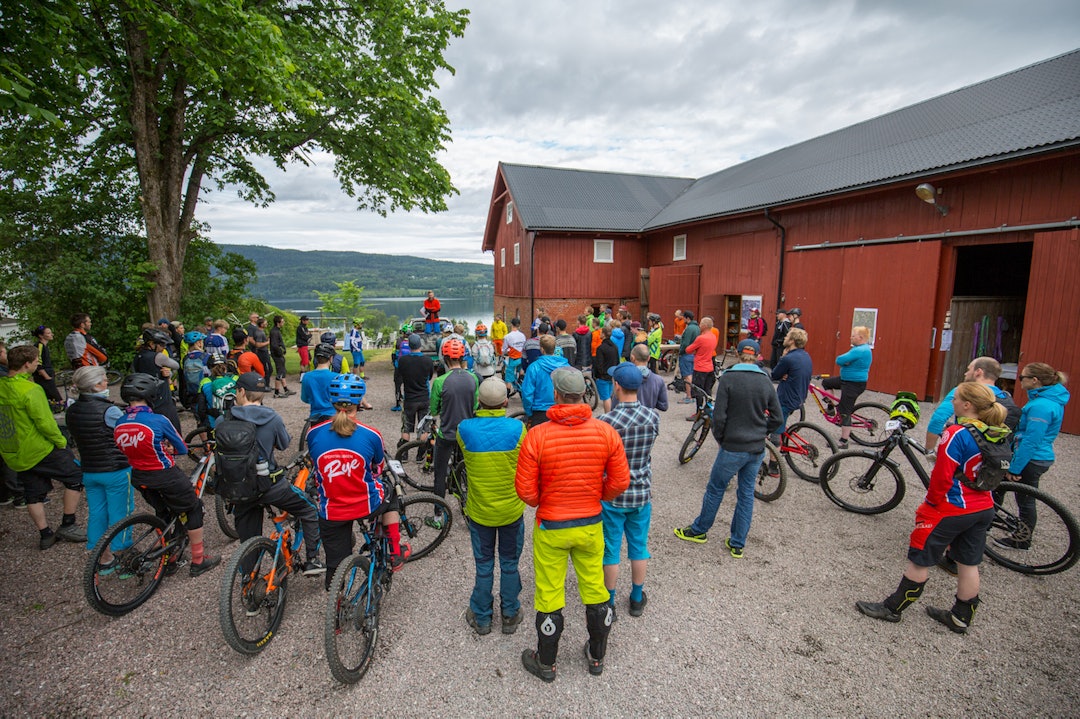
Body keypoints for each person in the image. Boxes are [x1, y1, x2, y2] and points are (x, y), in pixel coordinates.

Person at [857, 384, 1009, 633]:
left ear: (967, 405)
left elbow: (941, 476)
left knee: (921, 559)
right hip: (983, 506)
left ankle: (893, 608)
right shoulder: (995, 431)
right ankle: (961, 617)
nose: (954, 402)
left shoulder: (957, 433)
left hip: (952, 507)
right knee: (968, 563)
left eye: (957, 399)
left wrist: (930, 504)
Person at [515, 367, 630, 681]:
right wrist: (597, 495)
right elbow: (621, 480)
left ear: (555, 395)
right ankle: (596, 656)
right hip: (590, 522)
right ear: (584, 395)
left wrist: (544, 500)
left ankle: (547, 663)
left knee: (550, 592)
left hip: (552, 526)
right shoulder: (606, 432)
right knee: (595, 589)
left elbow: (525, 490)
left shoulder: (537, 435)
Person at [674, 339, 782, 558]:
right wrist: (761, 431)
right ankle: (737, 542)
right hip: (755, 447)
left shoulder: (729, 378)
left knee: (715, 488)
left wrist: (722, 438)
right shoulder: (765, 381)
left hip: (733, 445)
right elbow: (777, 418)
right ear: (758, 356)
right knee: (746, 494)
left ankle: (699, 530)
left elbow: (719, 416)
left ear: (738, 353)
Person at [307, 374, 407, 587]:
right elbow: (378, 468)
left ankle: (336, 598)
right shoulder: (371, 435)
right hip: (366, 504)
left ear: (332, 402)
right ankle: (395, 552)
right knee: (389, 490)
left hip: (331, 509)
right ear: (359, 402)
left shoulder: (313, 433)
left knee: (336, 562)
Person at [113, 373, 219, 576]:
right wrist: (167, 447)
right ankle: (198, 560)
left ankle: (169, 554)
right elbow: (181, 448)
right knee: (194, 508)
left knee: (164, 513)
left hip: (139, 476)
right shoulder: (158, 420)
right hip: (164, 474)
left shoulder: (120, 421)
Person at [229, 372, 324, 575]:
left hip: (237, 488)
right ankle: (313, 560)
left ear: (242, 391)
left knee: (247, 537)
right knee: (309, 510)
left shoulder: (225, 418)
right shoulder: (271, 417)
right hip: (269, 486)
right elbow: (283, 444)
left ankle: (249, 577)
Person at [457, 377, 528, 636]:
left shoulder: (465, 429)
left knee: (484, 564)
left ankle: (482, 616)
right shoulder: (518, 429)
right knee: (509, 563)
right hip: (511, 510)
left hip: (480, 511)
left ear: (479, 401)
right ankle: (510, 613)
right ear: (505, 402)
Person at [0, 345, 88, 550]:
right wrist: (61, 442)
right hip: (40, 448)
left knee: (33, 492)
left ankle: (45, 533)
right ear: (26, 364)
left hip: (14, 451)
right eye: (36, 360)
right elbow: (45, 422)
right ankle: (68, 523)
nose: (38, 363)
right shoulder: (31, 390)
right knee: (75, 476)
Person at [600, 362, 660, 621]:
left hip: (613, 494)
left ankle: (609, 602)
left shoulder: (606, 422)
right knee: (639, 547)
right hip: (641, 492)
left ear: (616, 386)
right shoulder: (652, 417)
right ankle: (636, 597)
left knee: (611, 549)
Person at [996, 362, 1070, 551]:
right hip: (1037, 456)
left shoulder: (1041, 406)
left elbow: (1031, 440)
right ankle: (991, 522)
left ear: (1034, 380)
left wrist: (1015, 468)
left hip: (1032, 458)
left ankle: (1022, 540)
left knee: (1026, 500)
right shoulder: (1046, 399)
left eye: (1023, 377)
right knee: (1003, 489)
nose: (1020, 380)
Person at [66, 366, 134, 564]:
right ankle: (122, 552)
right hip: (115, 468)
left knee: (96, 512)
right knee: (121, 511)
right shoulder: (108, 410)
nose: (107, 383)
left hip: (89, 468)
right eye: (104, 380)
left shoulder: (72, 410)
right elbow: (125, 433)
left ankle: (102, 558)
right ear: (96, 385)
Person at [429, 339, 478, 527]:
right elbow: (474, 405)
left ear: (445, 358)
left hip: (447, 434)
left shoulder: (440, 381)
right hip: (466, 434)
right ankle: (468, 504)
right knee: (465, 468)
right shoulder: (472, 378)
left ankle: (437, 516)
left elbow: (434, 410)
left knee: (439, 474)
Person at [925, 357, 1021, 450]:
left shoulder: (963, 391)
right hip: (995, 456)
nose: (965, 373)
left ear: (978, 372)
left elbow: (938, 419)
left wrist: (929, 450)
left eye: (968, 369)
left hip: (968, 452)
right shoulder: (1006, 397)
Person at [823, 326, 873, 448]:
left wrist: (846, 363)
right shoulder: (861, 349)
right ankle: (831, 407)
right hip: (846, 380)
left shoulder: (859, 350)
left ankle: (844, 441)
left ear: (860, 338)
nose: (851, 337)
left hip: (853, 384)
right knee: (827, 383)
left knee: (845, 412)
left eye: (853, 335)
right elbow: (844, 361)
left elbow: (839, 360)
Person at [132, 327, 182, 433]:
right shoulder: (158, 357)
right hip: (161, 395)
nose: (163, 348)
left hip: (145, 394)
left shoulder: (138, 356)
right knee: (172, 425)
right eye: (162, 345)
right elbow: (176, 365)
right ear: (152, 344)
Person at [769, 328, 813, 446]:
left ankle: (774, 461)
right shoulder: (806, 355)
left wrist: (783, 357)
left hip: (786, 399)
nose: (785, 338)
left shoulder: (788, 358)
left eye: (787, 336)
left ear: (792, 341)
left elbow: (774, 375)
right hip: (799, 397)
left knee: (775, 430)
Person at [520, 335, 569, 426]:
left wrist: (529, 412)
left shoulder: (534, 367)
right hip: (561, 409)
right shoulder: (566, 366)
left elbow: (527, 393)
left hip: (540, 411)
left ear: (542, 349)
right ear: (555, 348)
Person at [397, 334, 435, 449]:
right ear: (420, 344)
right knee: (424, 427)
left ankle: (404, 453)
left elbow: (401, 376)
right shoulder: (428, 361)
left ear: (409, 345)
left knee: (406, 427)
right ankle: (421, 453)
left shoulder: (403, 361)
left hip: (409, 399)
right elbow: (429, 377)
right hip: (424, 398)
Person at [684, 316, 718, 418]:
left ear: (704, 326)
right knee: (707, 390)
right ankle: (708, 409)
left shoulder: (701, 338)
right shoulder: (713, 336)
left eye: (700, 324)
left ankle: (698, 411)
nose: (699, 326)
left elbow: (688, 350)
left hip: (700, 367)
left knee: (698, 391)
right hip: (709, 366)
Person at [301, 343, 339, 424]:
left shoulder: (307, 376)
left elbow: (305, 399)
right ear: (331, 358)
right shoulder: (337, 377)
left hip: (315, 416)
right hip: (333, 415)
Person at [31, 326, 64, 408]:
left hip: (48, 375)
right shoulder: (39, 346)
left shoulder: (45, 346)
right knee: (58, 399)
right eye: (48, 333)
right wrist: (46, 376)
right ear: (41, 336)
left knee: (52, 398)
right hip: (43, 377)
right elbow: (38, 362)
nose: (51, 334)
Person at [592, 322, 621, 414]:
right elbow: (617, 361)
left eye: (601, 333)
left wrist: (598, 374)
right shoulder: (615, 347)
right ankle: (611, 413)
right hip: (612, 374)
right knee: (609, 396)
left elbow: (599, 364)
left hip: (603, 376)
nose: (600, 334)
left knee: (606, 398)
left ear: (604, 335)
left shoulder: (601, 348)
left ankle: (608, 415)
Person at [677, 311, 700, 404]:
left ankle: (689, 396)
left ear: (687, 318)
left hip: (686, 354)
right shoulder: (697, 328)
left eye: (684, 318)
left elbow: (686, 343)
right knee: (691, 374)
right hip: (694, 354)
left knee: (687, 375)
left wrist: (681, 351)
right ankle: (692, 394)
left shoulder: (689, 328)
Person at [269, 314, 294, 398]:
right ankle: (276, 392)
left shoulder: (277, 330)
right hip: (277, 355)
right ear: (278, 322)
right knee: (280, 371)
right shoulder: (274, 332)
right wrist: (281, 352)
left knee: (283, 371)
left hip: (279, 354)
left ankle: (286, 389)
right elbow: (274, 345)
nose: (283, 323)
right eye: (282, 321)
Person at [501, 317, 527, 393]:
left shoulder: (508, 336)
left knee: (508, 376)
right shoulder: (523, 335)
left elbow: (504, 349)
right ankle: (521, 379)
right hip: (521, 358)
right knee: (521, 370)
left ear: (511, 325)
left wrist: (502, 354)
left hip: (513, 359)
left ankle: (507, 394)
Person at [251, 316, 273, 385]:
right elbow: (258, 344)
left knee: (269, 368)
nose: (266, 324)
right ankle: (265, 384)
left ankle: (266, 384)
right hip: (262, 352)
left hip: (264, 351)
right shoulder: (259, 333)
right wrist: (268, 342)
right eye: (265, 323)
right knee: (267, 369)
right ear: (261, 324)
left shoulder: (261, 332)